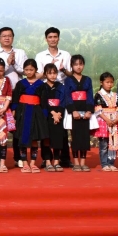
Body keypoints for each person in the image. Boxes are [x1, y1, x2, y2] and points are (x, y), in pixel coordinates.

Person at [0, 27, 27, 168]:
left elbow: (25, 71)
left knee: (17, 125)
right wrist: (6, 62)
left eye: (9, 35)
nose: (7, 38)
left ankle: (19, 157)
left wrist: (13, 63)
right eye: (4, 36)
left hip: (17, 92)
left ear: (13, 37)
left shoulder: (20, 53)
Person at [34, 27, 72, 169]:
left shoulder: (66, 55)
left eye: (55, 36)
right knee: (46, 132)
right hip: (45, 93)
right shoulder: (40, 56)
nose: (53, 39)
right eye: (50, 37)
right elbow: (36, 75)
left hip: (61, 92)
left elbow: (71, 74)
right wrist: (47, 71)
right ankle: (47, 159)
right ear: (46, 39)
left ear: (59, 38)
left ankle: (63, 159)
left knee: (61, 131)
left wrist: (62, 69)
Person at [11, 59, 47, 173]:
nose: (29, 72)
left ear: (36, 70)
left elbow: (44, 101)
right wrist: (14, 112)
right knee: (22, 138)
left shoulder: (41, 85)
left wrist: (44, 115)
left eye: (31, 69)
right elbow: (15, 99)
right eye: (26, 70)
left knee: (34, 139)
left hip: (36, 112)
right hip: (22, 112)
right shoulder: (20, 84)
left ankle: (32, 163)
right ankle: (25, 163)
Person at [63, 54, 95, 172]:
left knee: (85, 137)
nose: (78, 67)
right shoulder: (68, 80)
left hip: (85, 110)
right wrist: (73, 111)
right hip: (74, 111)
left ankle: (83, 162)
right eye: (76, 64)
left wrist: (89, 110)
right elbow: (67, 96)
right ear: (72, 66)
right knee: (75, 137)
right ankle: (76, 162)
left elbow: (90, 95)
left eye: (81, 64)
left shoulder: (88, 79)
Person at [94, 72, 118, 172]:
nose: (109, 84)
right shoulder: (99, 95)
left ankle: (111, 163)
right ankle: (104, 164)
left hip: (115, 120)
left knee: (114, 142)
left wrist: (117, 118)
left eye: (111, 82)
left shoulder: (115, 95)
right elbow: (98, 109)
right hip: (104, 121)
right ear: (101, 82)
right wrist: (107, 119)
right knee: (104, 144)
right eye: (107, 82)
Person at [37, 64, 66, 172]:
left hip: (59, 115)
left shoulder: (61, 86)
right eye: (50, 73)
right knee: (46, 138)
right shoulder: (42, 87)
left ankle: (57, 161)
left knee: (58, 138)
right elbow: (43, 102)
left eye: (54, 73)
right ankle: (48, 161)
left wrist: (58, 113)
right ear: (45, 74)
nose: (53, 75)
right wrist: (53, 113)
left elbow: (63, 101)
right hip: (47, 115)